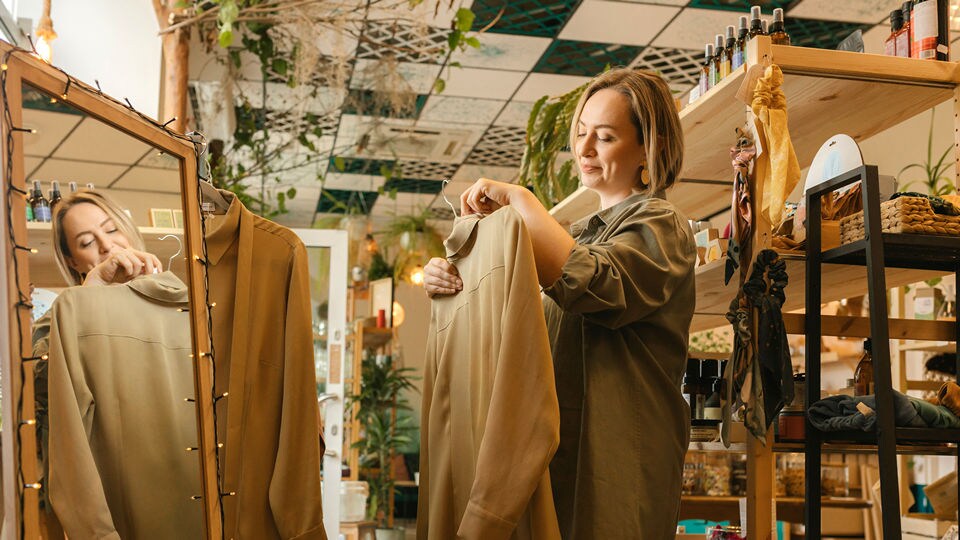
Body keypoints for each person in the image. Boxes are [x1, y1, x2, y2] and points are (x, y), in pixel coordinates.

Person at [424, 68, 696, 539]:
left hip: (617, 464)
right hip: (560, 461)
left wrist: (522, 203)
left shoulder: (662, 225)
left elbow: (596, 284)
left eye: (606, 137)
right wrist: (452, 280)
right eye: (581, 133)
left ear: (646, 147)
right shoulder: (579, 234)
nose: (585, 150)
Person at [51, 190, 162, 287]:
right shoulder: (69, 308)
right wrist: (92, 287)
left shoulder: (165, 294)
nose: (106, 245)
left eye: (112, 230)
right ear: (72, 262)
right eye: (88, 242)